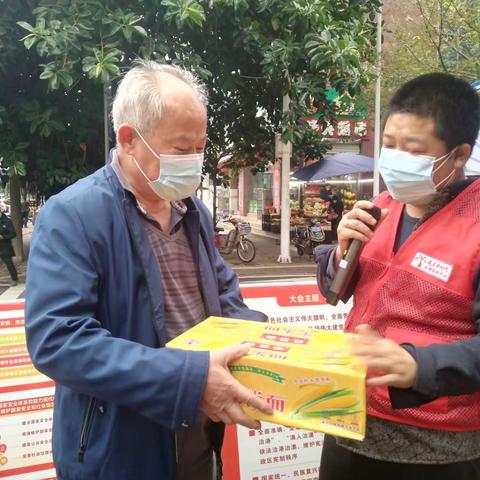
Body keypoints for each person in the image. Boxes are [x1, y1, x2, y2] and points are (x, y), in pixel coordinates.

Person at [25, 60, 272, 480]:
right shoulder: (73, 215)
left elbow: (225, 298)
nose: (195, 161)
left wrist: (265, 346)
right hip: (118, 448)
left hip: (198, 436)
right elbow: (58, 339)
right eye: (181, 149)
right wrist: (188, 381)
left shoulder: (195, 213)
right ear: (129, 140)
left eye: (201, 147)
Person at [315, 72, 480, 480]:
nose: (395, 158)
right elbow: (335, 289)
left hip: (436, 450)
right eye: (389, 145)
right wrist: (339, 254)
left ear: (458, 155)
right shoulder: (379, 206)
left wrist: (420, 364)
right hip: (345, 423)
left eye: (413, 150)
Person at [0, 204, 17, 286]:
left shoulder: (7, 220)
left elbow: (13, 234)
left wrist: (3, 237)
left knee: (8, 262)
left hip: (5, 246)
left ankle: (14, 279)